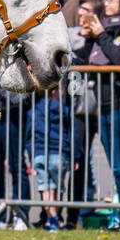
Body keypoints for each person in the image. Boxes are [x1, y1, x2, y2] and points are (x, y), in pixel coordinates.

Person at [83, 0, 120, 229]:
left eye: (111, 0)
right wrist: (91, 39)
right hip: (105, 104)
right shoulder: (109, 28)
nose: (106, 4)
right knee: (115, 167)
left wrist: (100, 34)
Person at [26, 80, 80, 231]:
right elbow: (73, 134)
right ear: (55, 91)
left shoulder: (34, 110)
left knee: (44, 188)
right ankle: (55, 218)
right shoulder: (66, 110)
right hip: (59, 154)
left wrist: (31, 156)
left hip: (39, 153)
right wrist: (75, 155)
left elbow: (28, 136)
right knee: (55, 189)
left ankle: (51, 218)